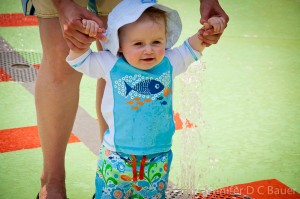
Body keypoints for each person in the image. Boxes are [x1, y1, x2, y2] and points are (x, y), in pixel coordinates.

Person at [22, 0, 228, 198]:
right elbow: (80, 60)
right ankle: (53, 182)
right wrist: (80, 43)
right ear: (119, 45)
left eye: (156, 42)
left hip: (157, 157)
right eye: (138, 43)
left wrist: (209, 30)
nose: (148, 49)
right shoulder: (111, 64)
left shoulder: (169, 62)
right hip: (116, 157)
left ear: (166, 39)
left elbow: (193, 45)